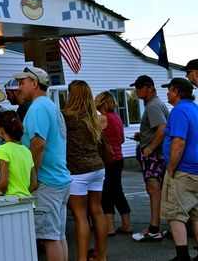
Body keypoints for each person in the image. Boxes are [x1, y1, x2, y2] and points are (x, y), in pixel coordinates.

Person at [15, 66, 71, 261]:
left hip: (47, 181)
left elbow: (38, 143)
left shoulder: (38, 107)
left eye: (22, 83)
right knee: (58, 235)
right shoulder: (49, 105)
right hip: (59, 179)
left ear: (35, 83)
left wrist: (32, 177)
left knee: (49, 238)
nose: (19, 88)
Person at [63, 80, 108, 261]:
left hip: (77, 170)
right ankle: (101, 255)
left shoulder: (66, 117)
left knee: (80, 216)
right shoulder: (97, 118)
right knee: (97, 211)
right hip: (97, 167)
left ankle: (82, 258)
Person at [161, 77, 198, 261]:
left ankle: (182, 256)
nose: (167, 93)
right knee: (196, 214)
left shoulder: (179, 111)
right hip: (196, 169)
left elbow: (179, 141)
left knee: (175, 213)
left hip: (183, 170)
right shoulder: (195, 109)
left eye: (169, 90)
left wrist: (170, 169)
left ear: (176, 91)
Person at [130, 74, 170, 242]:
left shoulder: (153, 106)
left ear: (150, 88)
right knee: (156, 190)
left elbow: (162, 129)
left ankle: (154, 228)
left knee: (153, 190)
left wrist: (150, 148)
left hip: (154, 155)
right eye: (136, 87)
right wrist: (144, 136)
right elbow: (157, 130)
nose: (137, 90)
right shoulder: (156, 104)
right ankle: (157, 226)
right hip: (158, 153)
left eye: (140, 87)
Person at [94, 91, 133, 236]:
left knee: (107, 193)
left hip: (107, 159)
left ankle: (109, 227)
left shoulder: (102, 119)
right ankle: (126, 224)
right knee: (117, 191)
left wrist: (93, 105)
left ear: (102, 102)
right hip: (119, 157)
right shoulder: (117, 118)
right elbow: (122, 139)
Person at [0, 110, 37, 197]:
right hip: (27, 203)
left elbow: (4, 182)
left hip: (12, 202)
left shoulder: (3, 149)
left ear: (2, 129)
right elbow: (34, 184)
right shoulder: (26, 151)